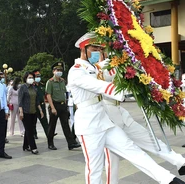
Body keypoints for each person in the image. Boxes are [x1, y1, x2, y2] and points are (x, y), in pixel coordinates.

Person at [67, 31, 184, 184]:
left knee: (133, 151)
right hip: (89, 126)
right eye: (94, 49)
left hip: (105, 121)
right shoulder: (76, 71)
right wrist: (123, 92)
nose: (98, 52)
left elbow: (115, 65)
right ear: (83, 49)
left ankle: (169, 180)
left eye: (100, 49)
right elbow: (98, 85)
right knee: (94, 169)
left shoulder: (94, 68)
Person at [95, 51, 185, 183]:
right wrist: (125, 61)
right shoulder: (98, 67)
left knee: (149, 139)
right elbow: (106, 74)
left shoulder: (117, 62)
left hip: (120, 111)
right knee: (112, 160)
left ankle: (179, 161)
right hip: (108, 113)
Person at [45, 62, 80, 150]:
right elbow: (48, 95)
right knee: (52, 126)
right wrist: (52, 108)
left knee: (66, 125)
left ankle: (71, 143)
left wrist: (66, 105)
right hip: (54, 105)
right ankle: (50, 143)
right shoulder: (50, 82)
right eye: (57, 70)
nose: (59, 72)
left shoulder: (62, 81)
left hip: (62, 105)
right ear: (53, 71)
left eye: (60, 70)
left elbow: (64, 94)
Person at [18, 72, 44, 154]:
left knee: (30, 129)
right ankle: (33, 147)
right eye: (29, 77)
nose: (31, 79)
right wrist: (21, 112)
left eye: (32, 77)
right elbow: (20, 101)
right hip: (25, 112)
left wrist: (40, 110)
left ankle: (25, 145)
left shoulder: (34, 88)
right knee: (29, 130)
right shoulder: (22, 87)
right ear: (25, 78)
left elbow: (37, 101)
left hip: (33, 111)